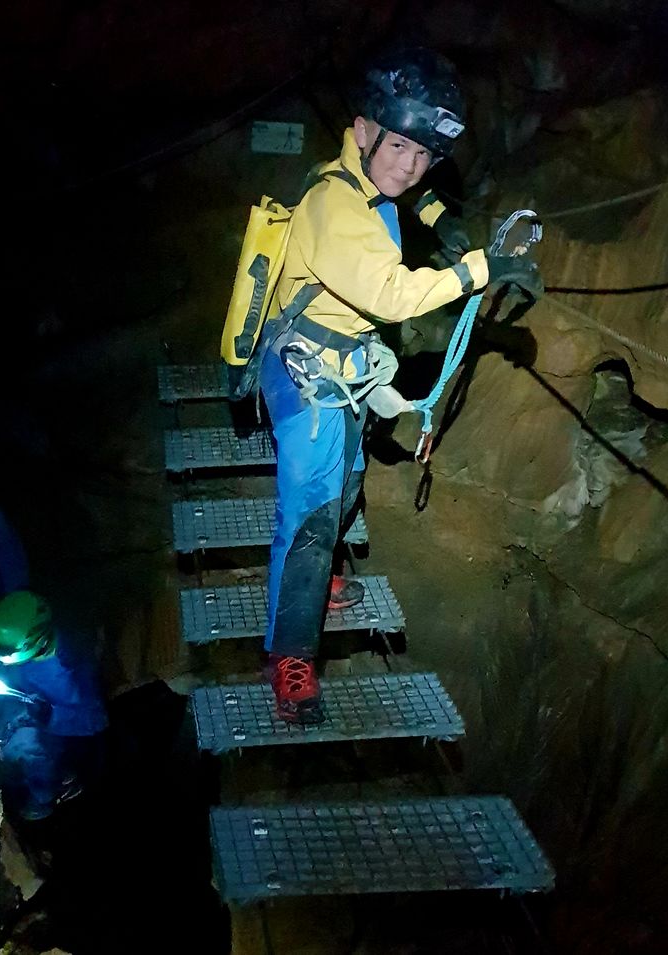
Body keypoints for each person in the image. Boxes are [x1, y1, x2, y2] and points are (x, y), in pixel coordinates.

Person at [260, 48, 542, 724]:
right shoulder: (335, 203)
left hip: (345, 365)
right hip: (305, 371)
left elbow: (408, 197)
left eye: (422, 153)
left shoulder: (369, 182)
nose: (408, 165)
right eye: (397, 146)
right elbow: (389, 293)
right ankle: (289, 655)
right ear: (362, 131)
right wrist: (481, 267)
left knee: (351, 472)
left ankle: (322, 577)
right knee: (310, 510)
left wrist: (441, 222)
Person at [0, 590, 108, 821]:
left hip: (53, 725)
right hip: (26, 712)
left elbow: (96, 720)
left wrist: (51, 716)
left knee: (38, 782)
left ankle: (40, 806)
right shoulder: (16, 616)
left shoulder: (73, 668)